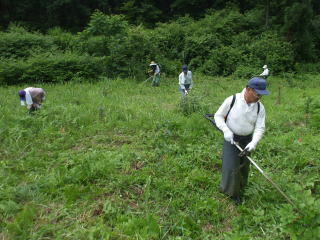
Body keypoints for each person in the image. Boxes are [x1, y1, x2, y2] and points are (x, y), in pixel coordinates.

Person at [214, 77, 269, 205]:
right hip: (231, 138)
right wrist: (226, 131)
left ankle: (242, 187)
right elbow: (218, 116)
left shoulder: (260, 107)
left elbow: (260, 127)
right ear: (248, 89)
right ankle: (231, 193)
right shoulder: (232, 100)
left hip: (247, 139)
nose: (259, 97)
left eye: (261, 94)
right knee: (231, 166)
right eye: (257, 93)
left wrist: (253, 143)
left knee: (244, 165)